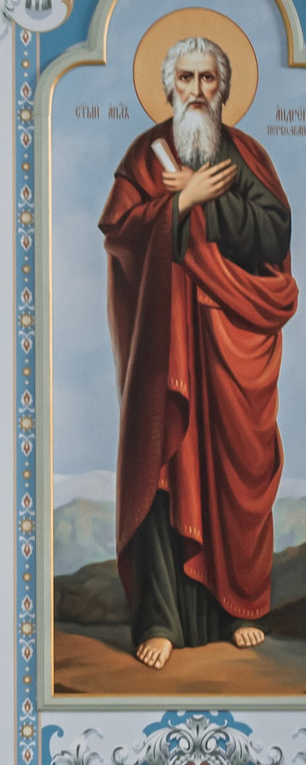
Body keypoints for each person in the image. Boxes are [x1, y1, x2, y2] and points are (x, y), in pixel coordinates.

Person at [101, 33, 295, 668]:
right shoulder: (144, 156)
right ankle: (159, 618)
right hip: (168, 346)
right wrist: (180, 201)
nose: (196, 90)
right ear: (168, 87)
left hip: (232, 345)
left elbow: (274, 235)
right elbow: (120, 236)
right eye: (185, 78)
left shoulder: (248, 157)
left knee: (235, 466)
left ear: (224, 87)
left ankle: (237, 611)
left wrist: (217, 199)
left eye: (207, 78)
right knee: (167, 464)